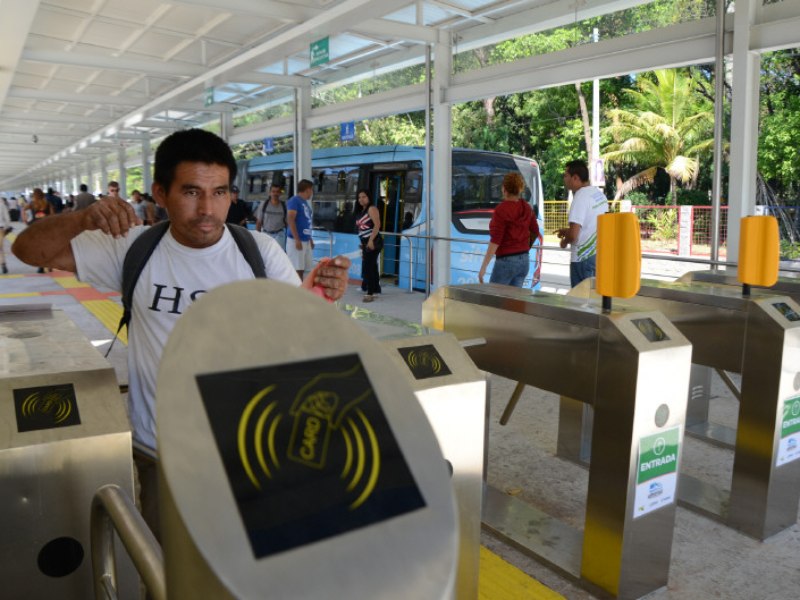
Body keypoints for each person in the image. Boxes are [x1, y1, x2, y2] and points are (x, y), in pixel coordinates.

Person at [478, 172, 539, 287]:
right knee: (513, 298)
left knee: (494, 296)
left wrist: (484, 267)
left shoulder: (501, 210)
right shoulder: (526, 207)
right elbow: (535, 231)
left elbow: (495, 240)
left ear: (504, 189)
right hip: (524, 260)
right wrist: (522, 247)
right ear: (520, 189)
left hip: (506, 261)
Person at [556, 160, 608, 287]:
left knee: (579, 297)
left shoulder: (580, 197)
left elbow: (573, 235)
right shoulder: (599, 195)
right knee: (594, 296)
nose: (564, 179)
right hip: (597, 256)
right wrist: (566, 231)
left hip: (581, 260)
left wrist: (564, 242)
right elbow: (590, 225)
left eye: (566, 175)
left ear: (575, 178)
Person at [355, 188, 383, 302]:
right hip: (366, 242)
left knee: (368, 267)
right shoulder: (362, 210)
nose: (361, 199)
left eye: (364, 197)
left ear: (369, 197)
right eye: (359, 197)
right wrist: (363, 244)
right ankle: (376, 289)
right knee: (372, 266)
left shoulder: (372, 208)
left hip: (373, 242)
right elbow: (362, 229)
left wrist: (370, 240)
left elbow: (377, 225)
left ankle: (370, 292)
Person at [286, 179, 315, 280]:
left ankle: (302, 286)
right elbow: (290, 219)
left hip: (305, 239)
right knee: (297, 269)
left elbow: (306, 222)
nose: (312, 192)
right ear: (308, 189)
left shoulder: (305, 202)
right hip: (297, 240)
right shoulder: (294, 201)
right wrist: (297, 239)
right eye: (311, 190)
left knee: (304, 268)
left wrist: (310, 238)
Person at [256, 184, 287, 249]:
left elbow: (288, 223)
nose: (275, 194)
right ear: (270, 193)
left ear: (280, 193)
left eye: (277, 192)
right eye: (273, 191)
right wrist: (257, 237)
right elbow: (259, 222)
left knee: (278, 253)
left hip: (279, 235)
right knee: (265, 254)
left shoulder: (284, 206)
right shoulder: (264, 204)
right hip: (266, 234)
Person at [0, 197, 11, 274]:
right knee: (0, 248)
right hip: (0, 228)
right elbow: (7, 218)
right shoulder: (2, 205)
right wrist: (6, 227)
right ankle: (3, 264)